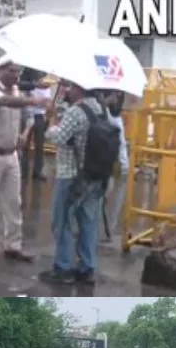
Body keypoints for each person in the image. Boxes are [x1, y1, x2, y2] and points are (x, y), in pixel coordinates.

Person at [0, 58, 46, 265]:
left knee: (14, 203)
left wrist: (24, 133)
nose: (15, 75)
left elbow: (27, 116)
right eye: (11, 71)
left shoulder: (17, 91)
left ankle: (13, 244)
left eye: (17, 72)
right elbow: (4, 102)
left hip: (11, 154)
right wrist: (32, 101)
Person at [41, 82, 109, 284]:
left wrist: (52, 120)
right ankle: (87, 267)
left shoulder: (75, 111)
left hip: (71, 174)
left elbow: (58, 138)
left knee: (61, 221)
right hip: (95, 175)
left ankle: (62, 266)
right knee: (88, 222)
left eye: (70, 87)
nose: (67, 90)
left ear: (79, 88)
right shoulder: (100, 108)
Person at [104, 91, 131, 240]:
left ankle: (109, 228)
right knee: (106, 194)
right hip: (115, 160)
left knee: (109, 194)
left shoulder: (115, 117)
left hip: (118, 161)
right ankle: (107, 228)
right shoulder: (109, 116)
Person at [26, 75, 52, 182]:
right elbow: (29, 100)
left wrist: (38, 101)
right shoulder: (29, 86)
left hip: (40, 116)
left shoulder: (47, 88)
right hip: (28, 116)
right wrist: (39, 101)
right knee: (25, 144)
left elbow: (48, 104)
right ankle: (23, 170)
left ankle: (38, 171)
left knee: (39, 145)